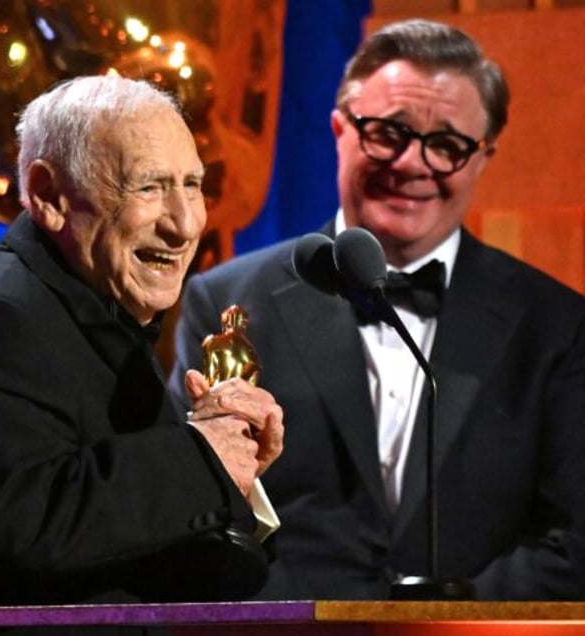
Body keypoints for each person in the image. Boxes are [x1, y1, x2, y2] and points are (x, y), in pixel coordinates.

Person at [170, 18, 585, 600]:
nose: (412, 164)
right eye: (388, 132)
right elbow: (195, 514)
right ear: (339, 128)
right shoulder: (229, 303)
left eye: (447, 146)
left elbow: (573, 538)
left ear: (483, 157)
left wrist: (445, 621)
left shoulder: (556, 324)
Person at [0, 75, 284, 634]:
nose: (185, 223)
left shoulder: (97, 303)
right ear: (48, 195)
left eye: (192, 185)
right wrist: (200, 458)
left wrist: (228, 471)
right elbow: (28, 528)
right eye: (148, 187)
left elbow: (152, 558)